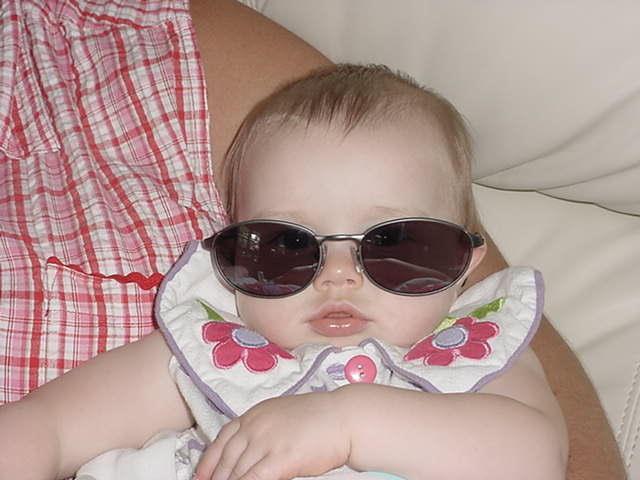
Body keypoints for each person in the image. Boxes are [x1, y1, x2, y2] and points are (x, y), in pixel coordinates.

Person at [0, 1, 625, 479]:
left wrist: (350, 423)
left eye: (397, 245)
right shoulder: (210, 351)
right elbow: (49, 427)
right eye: (286, 247)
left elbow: (532, 455)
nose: (338, 276)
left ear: (465, 265)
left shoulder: (470, 351)